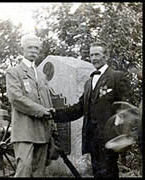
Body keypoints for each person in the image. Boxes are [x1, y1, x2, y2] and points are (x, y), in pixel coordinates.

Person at [51, 42, 133, 178]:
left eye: (97, 54)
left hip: (109, 139)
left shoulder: (117, 77)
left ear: (106, 56)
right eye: (91, 55)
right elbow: (79, 108)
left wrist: (121, 134)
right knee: (97, 173)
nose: (93, 58)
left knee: (109, 173)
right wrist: (55, 114)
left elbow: (126, 107)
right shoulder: (89, 83)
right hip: (91, 138)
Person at [6, 34, 53, 177]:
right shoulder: (14, 72)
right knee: (24, 169)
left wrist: (53, 126)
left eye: (36, 48)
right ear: (23, 49)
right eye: (30, 47)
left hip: (43, 130)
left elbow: (47, 100)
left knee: (39, 171)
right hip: (24, 130)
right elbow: (16, 99)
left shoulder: (41, 75)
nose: (33, 51)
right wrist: (41, 110)